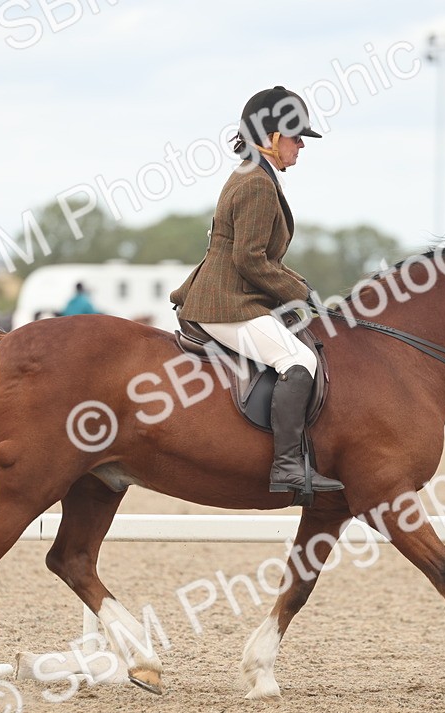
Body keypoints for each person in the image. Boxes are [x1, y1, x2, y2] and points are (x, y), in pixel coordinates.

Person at [169, 86, 343, 496]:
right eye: (296, 136)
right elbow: (250, 259)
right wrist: (301, 292)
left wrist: (301, 289)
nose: (301, 145)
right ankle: (285, 467)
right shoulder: (257, 185)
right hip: (226, 304)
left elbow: (259, 257)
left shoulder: (253, 175)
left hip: (235, 297)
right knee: (299, 361)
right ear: (270, 137)